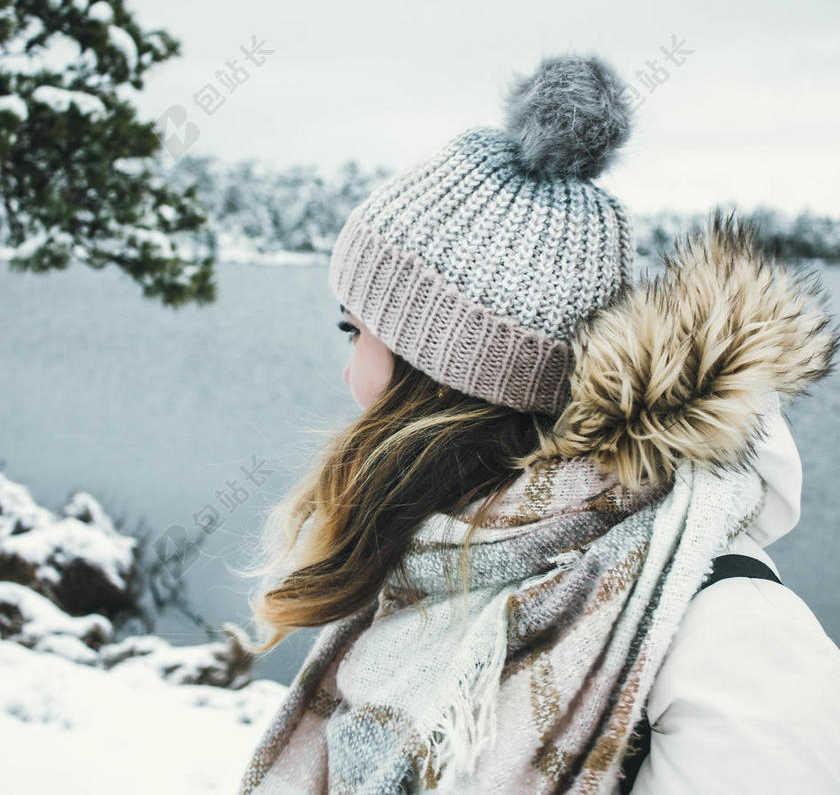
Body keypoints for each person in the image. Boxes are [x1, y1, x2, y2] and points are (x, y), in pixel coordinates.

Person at [234, 53, 840, 794]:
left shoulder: (732, 636)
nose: (348, 375)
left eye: (354, 331)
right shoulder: (435, 566)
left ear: (446, 376)